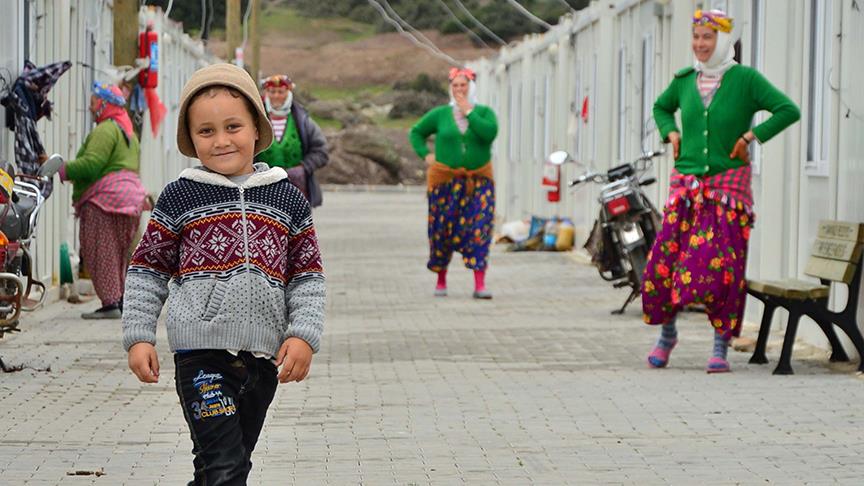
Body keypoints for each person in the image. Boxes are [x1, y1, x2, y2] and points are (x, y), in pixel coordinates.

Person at [122, 64, 326, 484]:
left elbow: (307, 275)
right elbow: (147, 269)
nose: (221, 141)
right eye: (206, 131)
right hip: (201, 356)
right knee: (224, 466)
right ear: (191, 139)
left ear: (257, 127)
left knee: (225, 466)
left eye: (233, 126)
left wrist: (303, 334)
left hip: (262, 360)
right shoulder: (181, 196)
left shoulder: (287, 197)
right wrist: (139, 335)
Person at [642, 10, 800, 373]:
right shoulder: (685, 80)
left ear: (723, 41)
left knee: (720, 270)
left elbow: (787, 110)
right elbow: (662, 107)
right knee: (664, 265)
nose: (700, 45)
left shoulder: (745, 80)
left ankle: (720, 346)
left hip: (728, 192)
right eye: (696, 37)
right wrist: (672, 132)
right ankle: (667, 336)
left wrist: (751, 136)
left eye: (707, 38)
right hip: (686, 188)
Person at [58, 82, 148, 319]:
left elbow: (92, 164)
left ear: (104, 104)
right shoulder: (128, 132)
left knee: (102, 251)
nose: (90, 107)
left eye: (93, 102)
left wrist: (63, 169)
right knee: (119, 254)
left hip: (104, 202)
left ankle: (109, 304)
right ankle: (119, 299)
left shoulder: (105, 130)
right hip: (130, 201)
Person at [409, 67, 498, 299]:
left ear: (472, 87)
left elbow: (489, 134)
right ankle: (441, 279)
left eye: (464, 85)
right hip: (445, 183)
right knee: (442, 229)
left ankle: (480, 284)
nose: (459, 89)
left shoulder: (485, 113)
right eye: (456, 86)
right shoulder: (439, 114)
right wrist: (425, 155)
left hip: (478, 182)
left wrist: (468, 111)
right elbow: (416, 132)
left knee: (479, 229)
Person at [257, 74, 329, 208]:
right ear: (266, 93)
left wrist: (303, 168)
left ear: (288, 93)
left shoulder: (302, 120)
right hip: (262, 189)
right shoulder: (256, 119)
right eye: (272, 92)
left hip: (297, 189)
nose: (276, 96)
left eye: (281, 92)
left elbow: (321, 151)